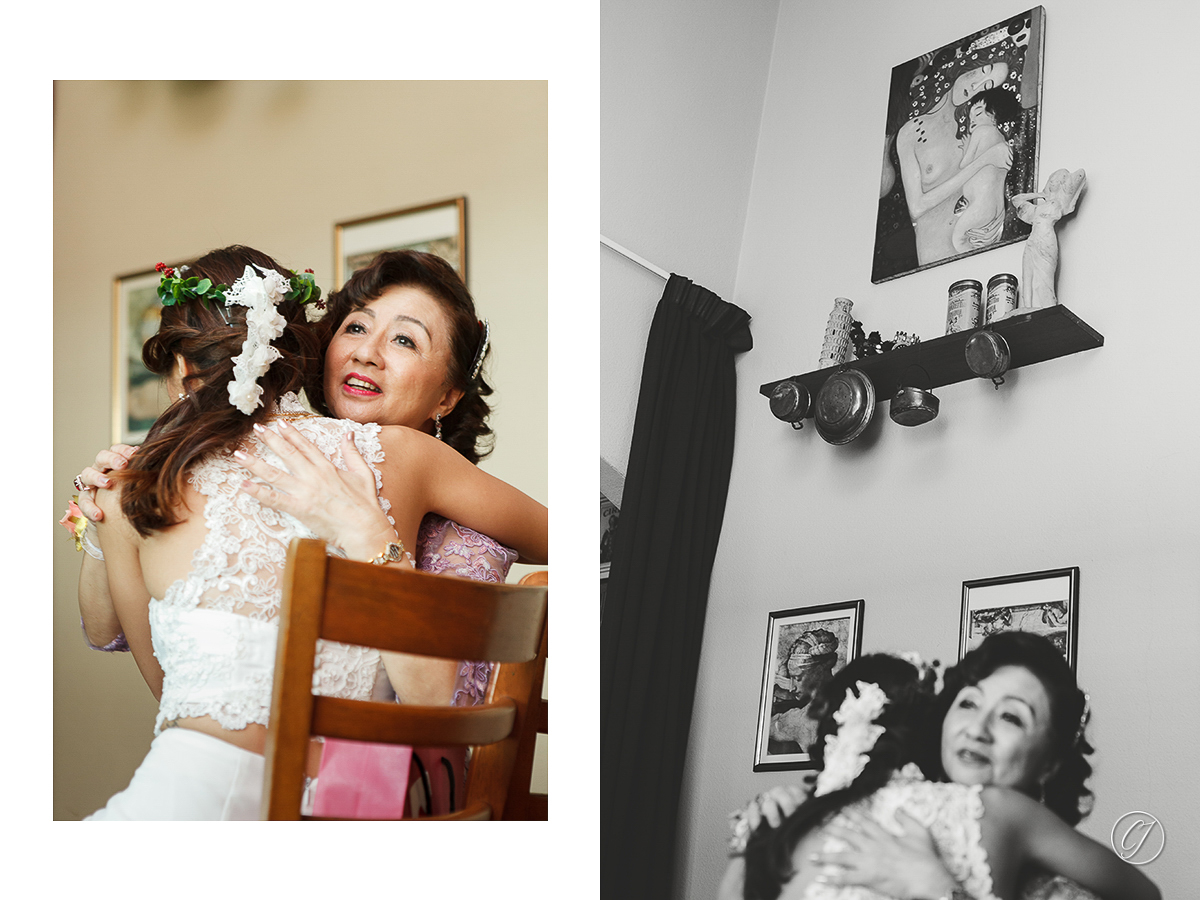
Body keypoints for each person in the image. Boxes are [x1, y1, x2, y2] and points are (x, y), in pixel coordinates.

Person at [73, 245, 546, 819]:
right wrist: (99, 511)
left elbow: (164, 685)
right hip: (338, 799)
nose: (367, 353)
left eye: (405, 339)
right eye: (355, 327)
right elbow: (133, 651)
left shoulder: (407, 458)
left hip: (361, 789)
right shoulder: (389, 455)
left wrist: (371, 532)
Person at [721, 647, 1160, 900]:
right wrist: (763, 830)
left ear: (1050, 762)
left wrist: (934, 886)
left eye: (1011, 717)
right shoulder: (845, 811)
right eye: (968, 703)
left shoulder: (1018, 828)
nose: (977, 729)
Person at [951, 87, 1022, 254]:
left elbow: (964, 164)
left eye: (978, 113)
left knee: (958, 241)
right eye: (970, 118)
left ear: (995, 113)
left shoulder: (982, 131)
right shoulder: (1000, 139)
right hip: (995, 209)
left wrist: (966, 146)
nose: (972, 120)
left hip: (980, 206)